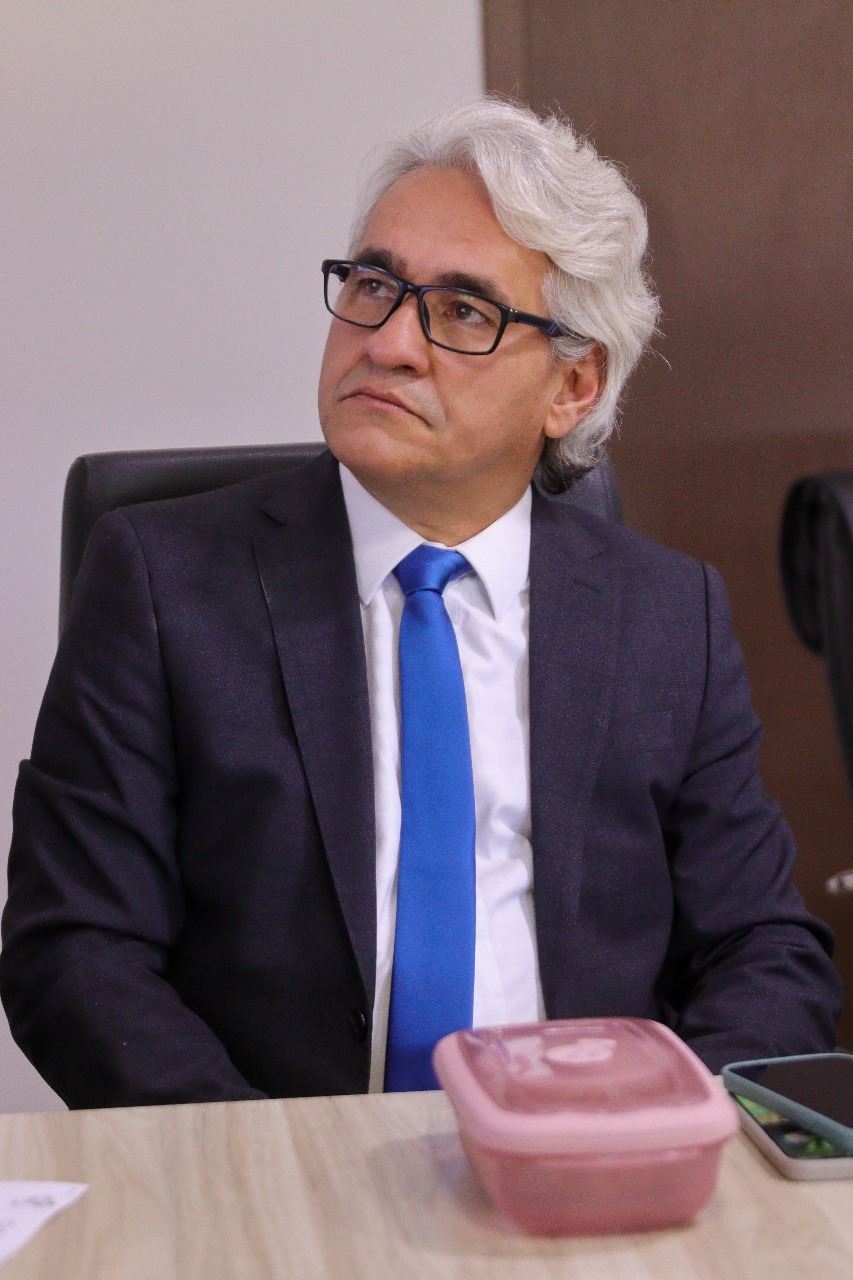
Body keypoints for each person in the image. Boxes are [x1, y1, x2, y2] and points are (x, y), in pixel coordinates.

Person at [1, 99, 841, 1108]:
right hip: (272, 1163)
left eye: (462, 312)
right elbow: (75, 947)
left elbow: (761, 947)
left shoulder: (667, 616)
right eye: (372, 285)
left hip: (589, 1157)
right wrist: (276, 1165)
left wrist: (655, 1133)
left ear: (571, 387)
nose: (390, 341)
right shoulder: (161, 581)